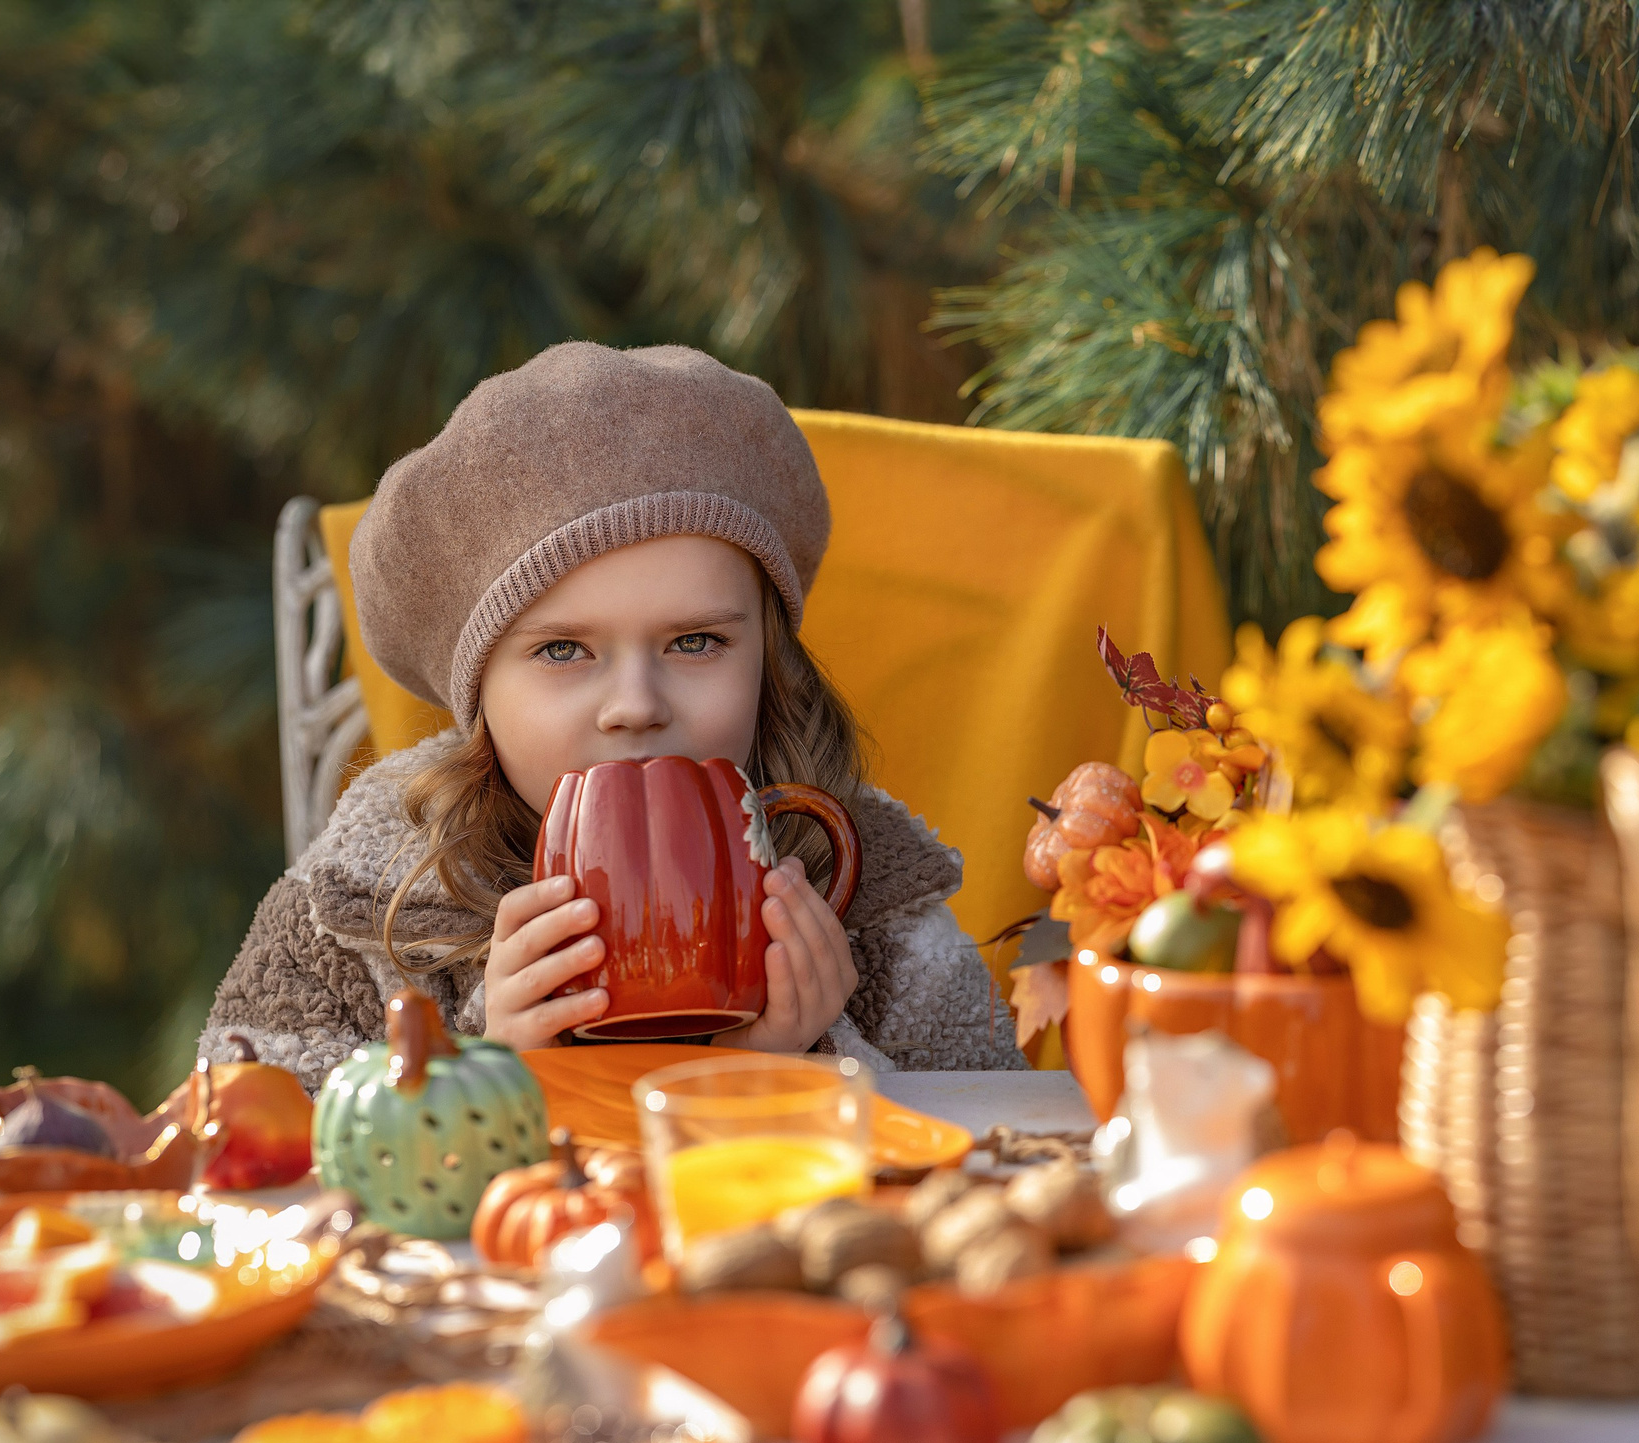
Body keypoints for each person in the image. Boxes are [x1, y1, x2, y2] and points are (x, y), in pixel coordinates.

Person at [201, 342, 1025, 1087]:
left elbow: (1008, 1140)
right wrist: (495, 1076)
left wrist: (786, 1068)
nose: (636, 706)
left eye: (696, 641)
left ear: (768, 662)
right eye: (563, 652)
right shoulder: (364, 910)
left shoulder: (871, 899)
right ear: (476, 696)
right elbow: (238, 1161)